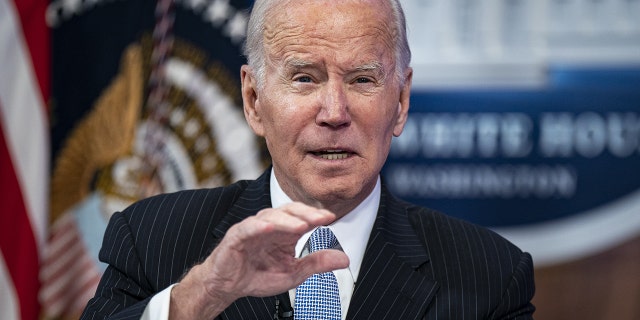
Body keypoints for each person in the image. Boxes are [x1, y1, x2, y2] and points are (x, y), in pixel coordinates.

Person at [81, 0, 536, 319]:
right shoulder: (151, 240)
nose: (335, 113)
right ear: (254, 100)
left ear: (400, 102)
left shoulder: (489, 275)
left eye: (362, 80)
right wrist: (198, 298)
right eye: (304, 78)